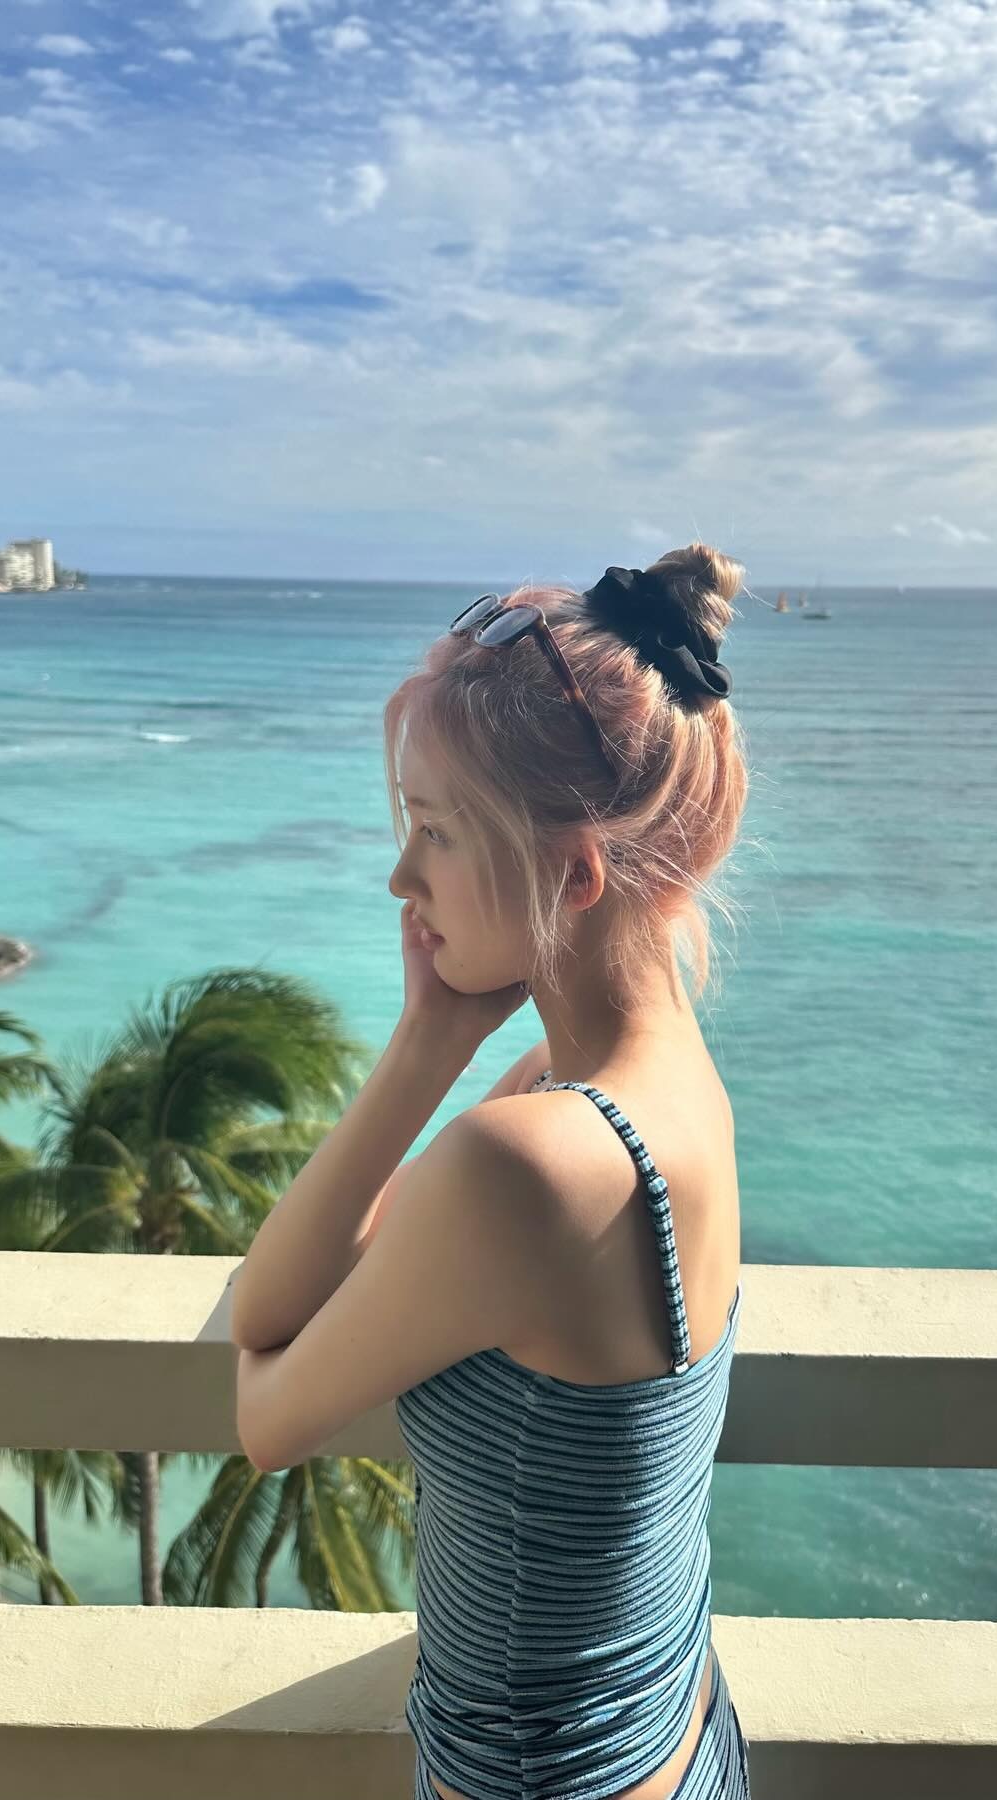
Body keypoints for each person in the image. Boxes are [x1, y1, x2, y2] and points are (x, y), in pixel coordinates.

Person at [233, 543, 752, 1799]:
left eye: (435, 832)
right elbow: (289, 1306)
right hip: (683, 1726)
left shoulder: (531, 1163)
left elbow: (266, 1398)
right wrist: (437, 1039)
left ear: (573, 872)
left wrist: (421, 1053)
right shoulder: (657, 1082)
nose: (400, 877)